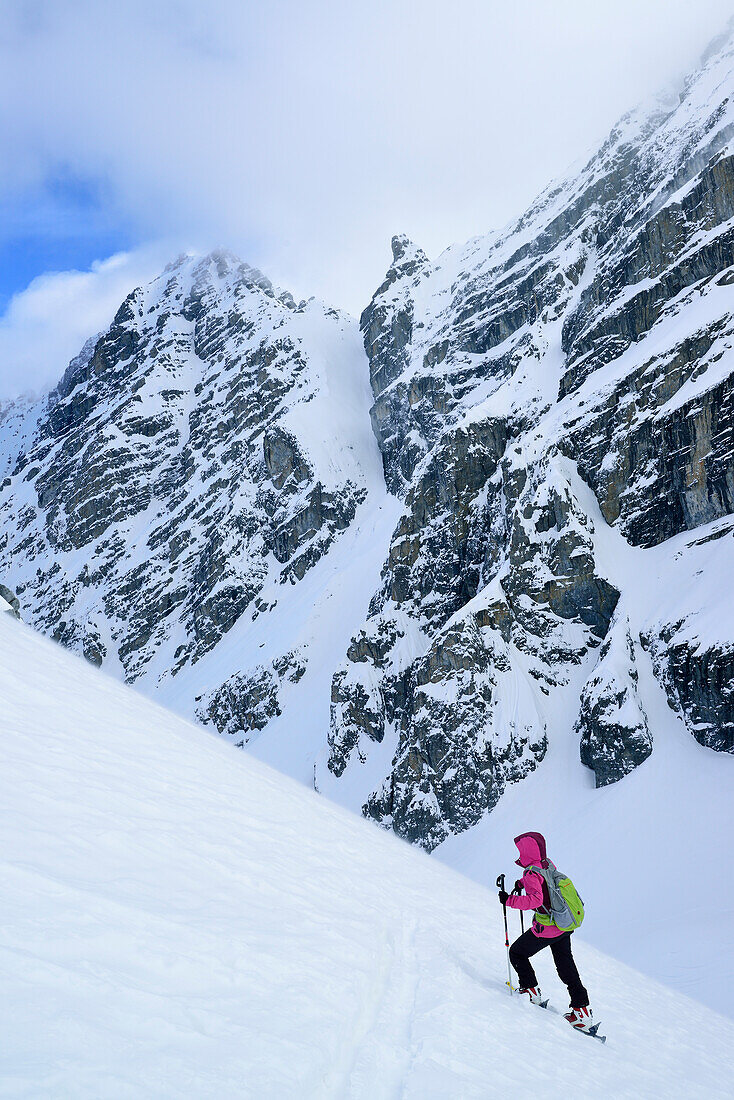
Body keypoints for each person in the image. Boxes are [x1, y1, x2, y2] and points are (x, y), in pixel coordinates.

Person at [498, 830, 593, 1030]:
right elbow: (546, 882)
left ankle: (530, 991)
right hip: (563, 925)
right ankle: (581, 1011)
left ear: (526, 851)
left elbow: (536, 900)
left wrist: (509, 900)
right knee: (566, 966)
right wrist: (522, 883)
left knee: (517, 953)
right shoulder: (547, 863)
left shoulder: (531, 873)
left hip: (548, 928)